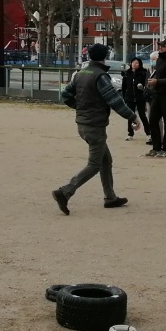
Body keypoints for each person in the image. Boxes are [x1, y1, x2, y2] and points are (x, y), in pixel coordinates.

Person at [52, 43, 137, 215]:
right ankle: (65, 191)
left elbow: (66, 95)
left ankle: (110, 197)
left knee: (106, 161)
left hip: (82, 124)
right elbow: (114, 100)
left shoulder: (80, 73)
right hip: (95, 126)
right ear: (105, 56)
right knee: (94, 164)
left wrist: (79, 107)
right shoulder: (101, 76)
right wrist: (132, 117)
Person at [121, 57, 152, 141]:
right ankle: (130, 133)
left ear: (140, 64)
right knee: (130, 116)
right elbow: (124, 87)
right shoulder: (127, 74)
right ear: (130, 64)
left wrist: (142, 89)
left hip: (140, 98)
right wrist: (125, 97)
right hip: (129, 98)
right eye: (133, 62)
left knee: (142, 115)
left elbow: (147, 86)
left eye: (137, 63)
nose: (135, 64)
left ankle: (149, 134)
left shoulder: (143, 73)